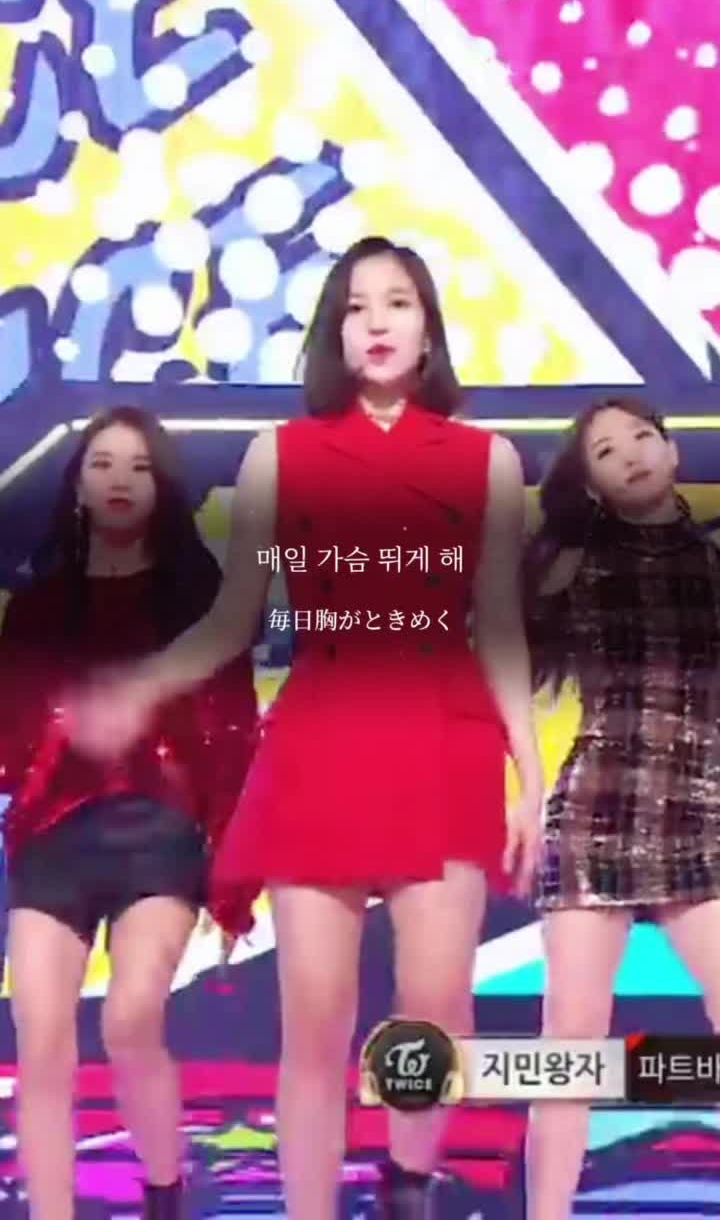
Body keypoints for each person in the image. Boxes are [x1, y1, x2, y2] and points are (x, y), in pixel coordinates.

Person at [64, 237, 543, 1220]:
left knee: (436, 1007)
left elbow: (497, 620)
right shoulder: (279, 455)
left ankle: (407, 1180)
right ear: (334, 333)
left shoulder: (488, 461)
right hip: (323, 740)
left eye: (397, 302)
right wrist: (143, 686)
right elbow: (233, 618)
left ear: (427, 327)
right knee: (316, 1022)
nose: (376, 322)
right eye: (355, 307)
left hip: (446, 738)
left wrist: (532, 777)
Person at [0, 407, 258, 1220]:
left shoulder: (200, 601)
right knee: (40, 1040)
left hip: (160, 831)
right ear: (77, 484)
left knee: (130, 1019)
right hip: (53, 834)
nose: (119, 480)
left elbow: (235, 734)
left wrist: (234, 874)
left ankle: (163, 1188)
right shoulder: (35, 610)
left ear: (162, 488)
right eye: (103, 464)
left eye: (139, 467)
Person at [523, 397, 720, 1220]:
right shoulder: (573, 567)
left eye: (642, 436)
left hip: (701, 812)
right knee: (570, 1041)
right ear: (591, 485)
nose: (632, 453)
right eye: (606, 451)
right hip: (598, 809)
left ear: (673, 452)